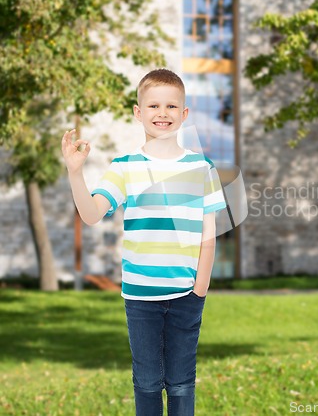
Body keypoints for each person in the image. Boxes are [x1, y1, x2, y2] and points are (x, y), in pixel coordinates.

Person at [61, 68, 227, 416]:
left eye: (170, 107)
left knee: (182, 382)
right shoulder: (124, 167)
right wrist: (76, 172)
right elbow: (91, 214)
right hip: (139, 297)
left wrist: (200, 287)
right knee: (148, 382)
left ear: (183, 114)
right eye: (153, 106)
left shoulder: (202, 168)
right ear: (139, 113)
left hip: (186, 295)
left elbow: (208, 234)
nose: (161, 114)